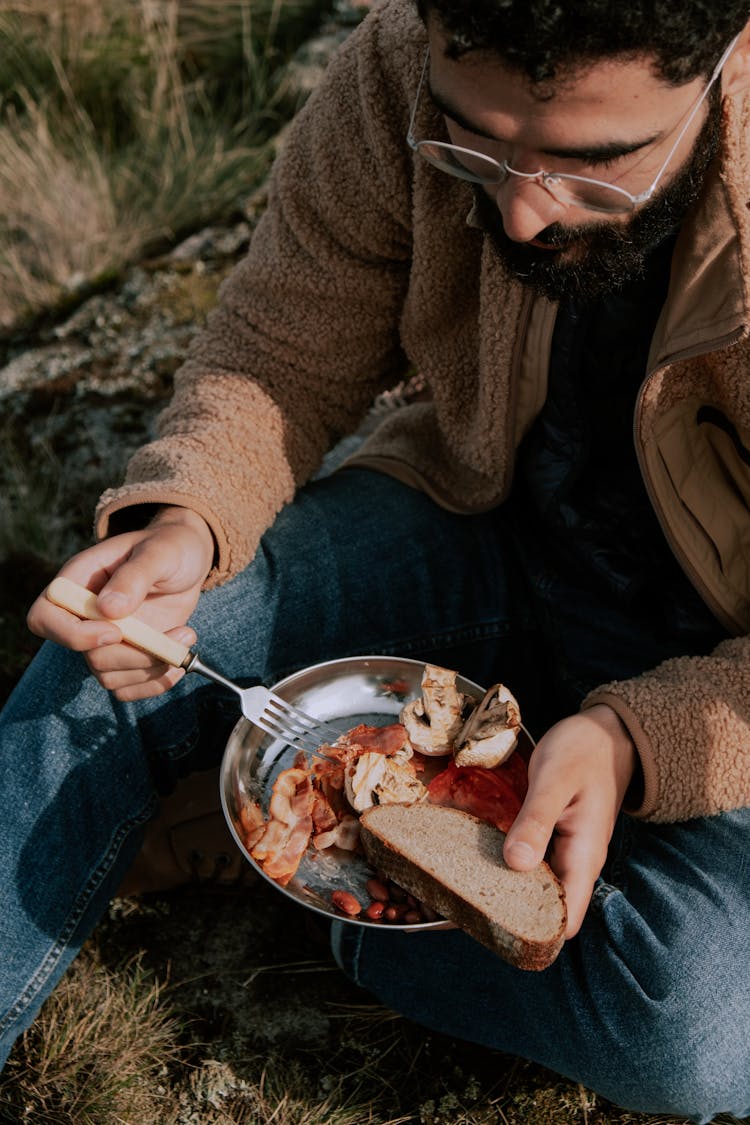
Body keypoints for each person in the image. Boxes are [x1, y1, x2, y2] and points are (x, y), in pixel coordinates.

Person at [2, 0, 750, 1117]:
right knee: (124, 637)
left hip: (720, 669)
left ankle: (332, 871)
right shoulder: (399, 62)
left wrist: (638, 743)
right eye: (473, 147)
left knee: (691, 1028)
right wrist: (187, 519)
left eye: (594, 169)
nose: (524, 213)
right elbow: (278, 347)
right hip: (475, 527)